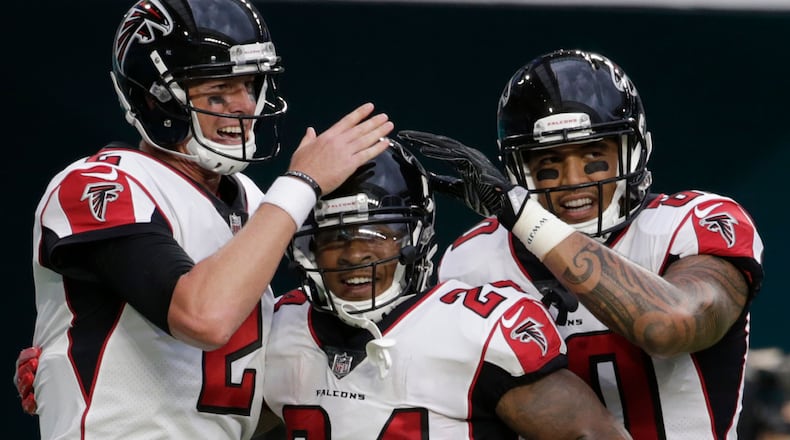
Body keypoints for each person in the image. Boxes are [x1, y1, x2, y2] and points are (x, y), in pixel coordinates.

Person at [16, 0, 392, 438]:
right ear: (156, 100)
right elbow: (204, 317)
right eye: (217, 92)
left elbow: (236, 392)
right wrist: (302, 182)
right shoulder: (99, 183)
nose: (244, 107)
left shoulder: (253, 200)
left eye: (249, 85)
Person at [397, 49, 765, 439]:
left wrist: (526, 219)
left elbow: (670, 326)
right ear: (519, 170)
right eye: (548, 162)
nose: (573, 179)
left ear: (633, 151)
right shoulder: (473, 258)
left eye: (593, 156)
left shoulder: (691, 222)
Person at [261, 142, 632, 438]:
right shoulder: (281, 327)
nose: (355, 254)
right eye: (333, 238)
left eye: (378, 234)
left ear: (417, 238)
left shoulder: (476, 327)